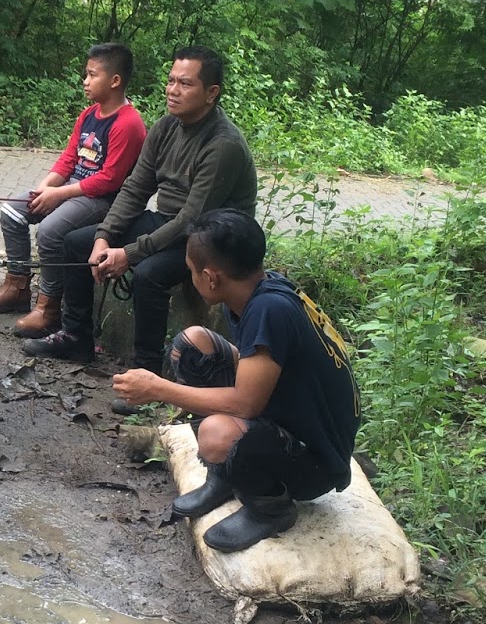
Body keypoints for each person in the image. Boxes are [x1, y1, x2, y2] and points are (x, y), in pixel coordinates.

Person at [114, 208, 360, 551]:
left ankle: (270, 506)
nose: (191, 278)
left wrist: (158, 388)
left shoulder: (269, 310)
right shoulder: (256, 290)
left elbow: (246, 404)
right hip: (292, 411)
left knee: (216, 434)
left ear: (211, 277)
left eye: (191, 271)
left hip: (316, 462)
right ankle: (225, 475)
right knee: (193, 345)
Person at [22, 47, 256, 370]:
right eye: (171, 81)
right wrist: (104, 237)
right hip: (169, 222)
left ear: (211, 93)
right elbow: (135, 188)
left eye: (185, 84)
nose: (173, 90)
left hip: (214, 239)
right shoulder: (165, 128)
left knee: (149, 273)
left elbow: (191, 219)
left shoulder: (222, 145)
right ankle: (76, 337)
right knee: (77, 242)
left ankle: (146, 368)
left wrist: (129, 254)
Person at [0, 43, 146, 337]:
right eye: (86, 74)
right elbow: (69, 157)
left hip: (103, 199)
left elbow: (110, 179)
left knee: (50, 231)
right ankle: (17, 286)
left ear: (115, 80)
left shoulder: (128, 123)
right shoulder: (88, 115)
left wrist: (58, 195)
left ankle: (48, 307)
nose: (85, 81)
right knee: (12, 211)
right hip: (74, 188)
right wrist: (45, 187)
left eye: (92, 75)